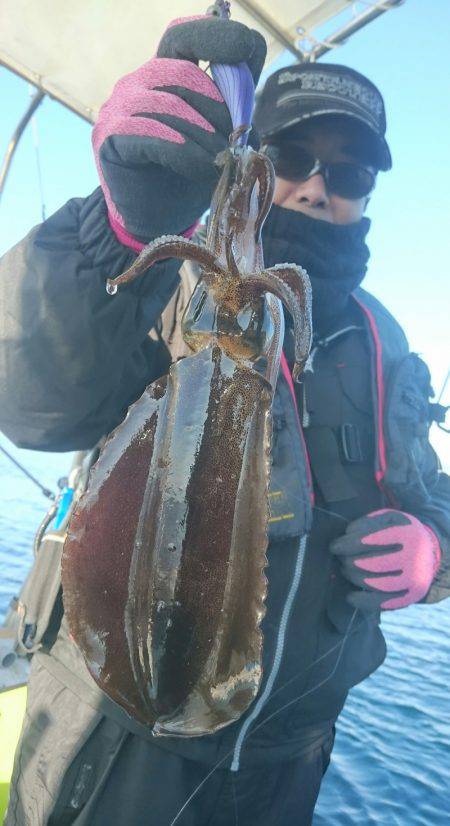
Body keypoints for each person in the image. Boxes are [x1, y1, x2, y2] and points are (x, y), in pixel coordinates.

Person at [1, 14, 449, 826]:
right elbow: (31, 400)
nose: (315, 187)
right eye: (292, 158)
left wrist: (437, 547)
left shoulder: (384, 345)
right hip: (110, 739)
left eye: (349, 174)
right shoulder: (159, 284)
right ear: (255, 157)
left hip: (288, 762)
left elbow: (431, 494)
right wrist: (116, 235)